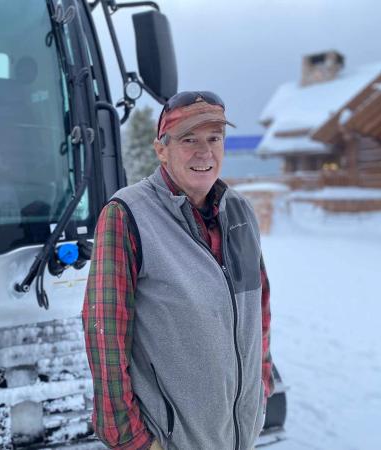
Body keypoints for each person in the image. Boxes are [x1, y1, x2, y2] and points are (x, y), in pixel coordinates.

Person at [82, 91, 274, 450]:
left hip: (237, 436)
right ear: (161, 150)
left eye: (214, 138)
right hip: (169, 440)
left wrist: (261, 387)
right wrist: (132, 439)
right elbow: (104, 334)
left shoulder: (241, 213)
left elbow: (258, 311)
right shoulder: (126, 215)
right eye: (189, 139)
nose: (204, 152)